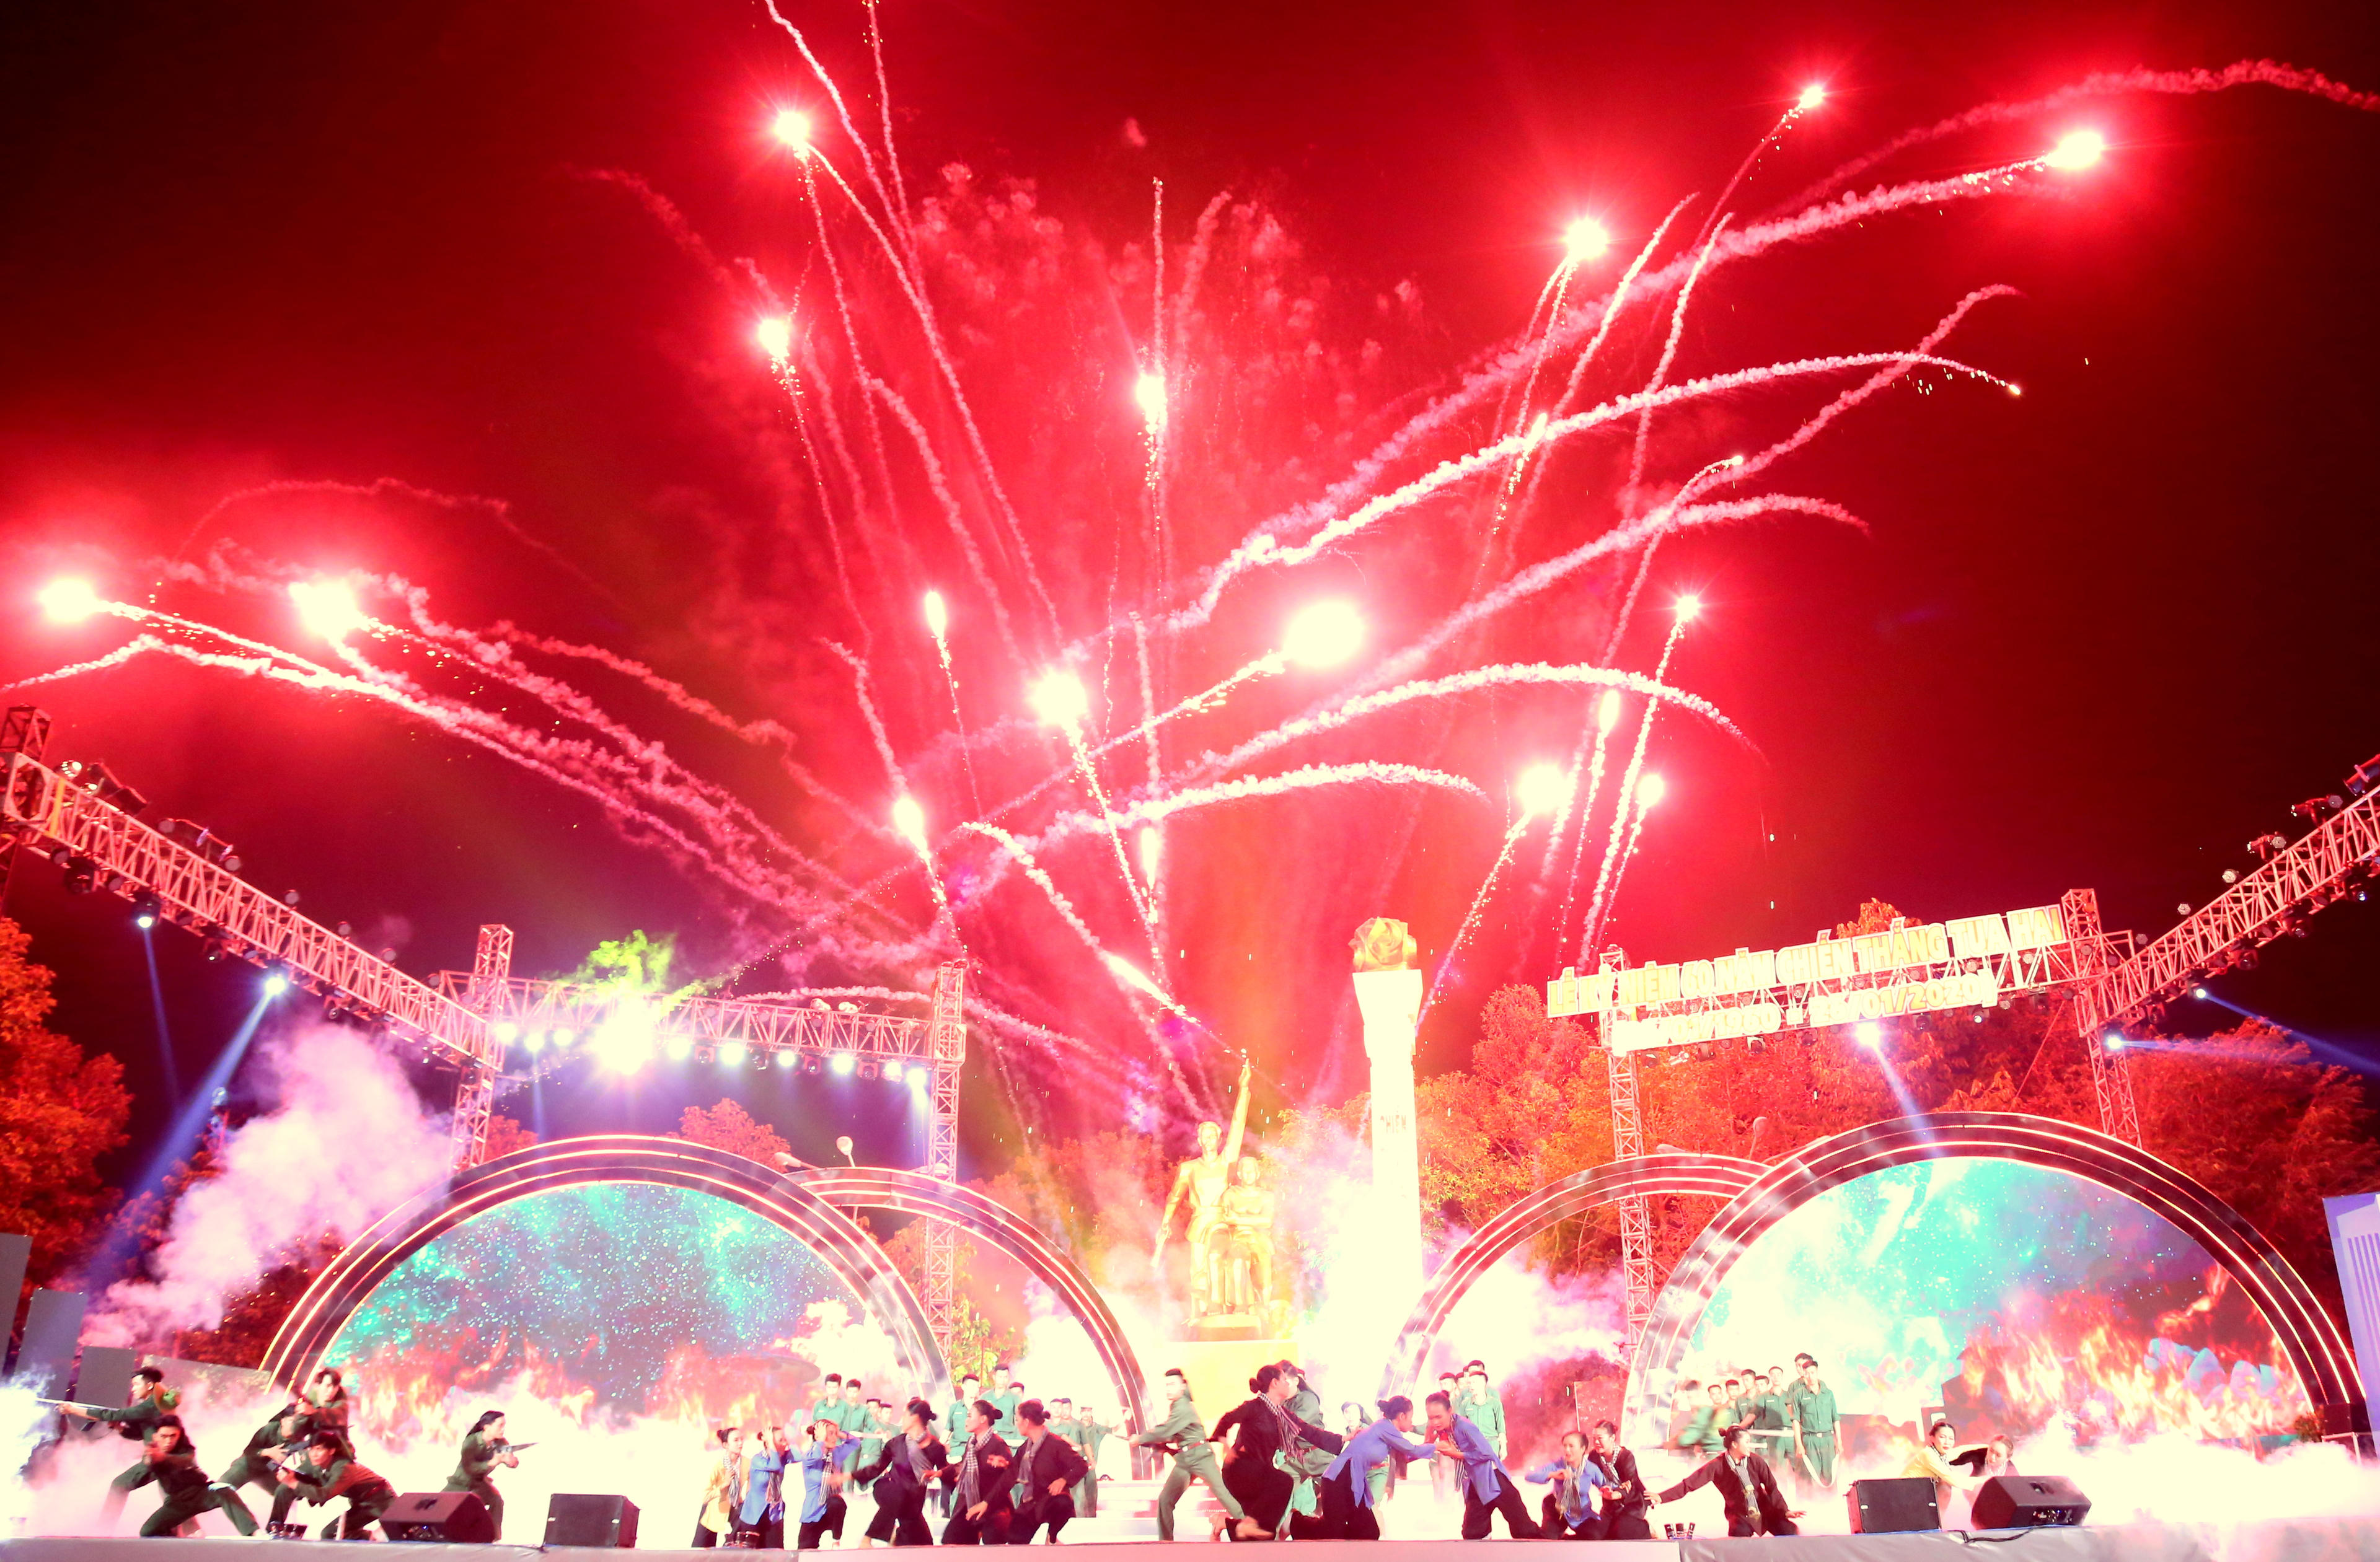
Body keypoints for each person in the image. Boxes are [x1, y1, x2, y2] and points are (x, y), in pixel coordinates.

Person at [1133, 1367, 1266, 1542]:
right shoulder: (1177, 1406)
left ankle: (1250, 1527)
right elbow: (1173, 1433)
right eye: (1167, 1385)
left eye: (1172, 1384)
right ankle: (1165, 1542)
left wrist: (1141, 1438)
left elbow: (1167, 1430)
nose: (1168, 1389)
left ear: (1183, 1386)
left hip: (1201, 1458)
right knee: (1165, 1500)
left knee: (1224, 1494)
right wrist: (1151, 1441)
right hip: (1186, 1461)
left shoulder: (1183, 1406)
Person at [1212, 1363, 1342, 1541]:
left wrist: (1343, 1439)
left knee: (1265, 1533)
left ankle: (1224, 1524)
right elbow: (1227, 1419)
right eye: (1284, 1380)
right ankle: (1248, 1523)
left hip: (1260, 1474)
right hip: (1241, 1470)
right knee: (1283, 1480)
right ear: (1274, 1383)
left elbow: (1310, 1432)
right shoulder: (1255, 1407)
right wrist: (1224, 1444)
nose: (1288, 1383)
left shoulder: (1283, 1415)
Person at [60, 1364, 181, 1528]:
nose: (133, 1389)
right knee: (174, 1499)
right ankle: (192, 1533)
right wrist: (119, 1428)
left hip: (160, 1459)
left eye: (136, 1384)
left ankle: (103, 1529)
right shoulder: (156, 1404)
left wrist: (73, 1410)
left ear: (150, 1385)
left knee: (120, 1485)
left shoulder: (153, 1404)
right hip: (166, 1458)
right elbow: (140, 1435)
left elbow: (115, 1414)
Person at [1316, 1397, 1437, 1540]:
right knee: (1337, 1530)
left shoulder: (1386, 1429)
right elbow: (1411, 1450)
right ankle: (1296, 1521)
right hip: (1341, 1477)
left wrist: (1429, 1445)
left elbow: (1405, 1457)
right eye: (1411, 1417)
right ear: (1402, 1416)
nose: (1411, 1422)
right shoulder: (1385, 1427)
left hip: (1349, 1478)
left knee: (1366, 1531)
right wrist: (1437, 1447)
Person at [1424, 1389, 1538, 1539]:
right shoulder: (1443, 1429)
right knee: (1472, 1533)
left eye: (1438, 1417)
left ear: (1450, 1411)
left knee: (1524, 1531)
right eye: (1431, 1418)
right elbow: (1423, 1448)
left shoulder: (1464, 1426)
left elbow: (1487, 1453)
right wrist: (1427, 1441)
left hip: (1494, 1478)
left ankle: (1556, 1538)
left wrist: (1457, 1454)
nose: (1435, 1422)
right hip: (1477, 1482)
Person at [119, 1418, 261, 1538]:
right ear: (156, 1437)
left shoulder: (185, 1448)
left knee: (224, 1491)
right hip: (178, 1502)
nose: (169, 1441)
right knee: (148, 1532)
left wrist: (163, 1458)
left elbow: (186, 1460)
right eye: (164, 1436)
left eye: (173, 1436)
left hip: (202, 1493)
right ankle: (176, 1539)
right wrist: (151, 1460)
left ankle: (254, 1533)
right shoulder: (152, 1451)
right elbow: (146, 1465)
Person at [1656, 1426, 1800, 1538]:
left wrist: (1784, 1511)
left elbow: (1772, 1487)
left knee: (1791, 1532)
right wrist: (1661, 1497)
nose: (1750, 1446)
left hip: (1766, 1511)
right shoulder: (1717, 1466)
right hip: (1740, 1516)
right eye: (1747, 1442)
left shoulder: (1756, 1461)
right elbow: (1689, 1484)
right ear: (1735, 1444)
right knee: (1737, 1542)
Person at [853, 1398, 948, 1548]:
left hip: (912, 1502)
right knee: (898, 1494)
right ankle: (867, 1539)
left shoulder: (936, 1448)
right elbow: (877, 1468)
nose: (901, 1418)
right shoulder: (896, 1443)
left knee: (925, 1545)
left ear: (915, 1417)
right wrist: (850, 1476)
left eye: (905, 1414)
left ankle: (898, 1538)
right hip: (888, 1488)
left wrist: (941, 1474)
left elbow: (946, 1472)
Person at [278, 1429, 397, 1540]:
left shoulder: (344, 1468)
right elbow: (301, 1481)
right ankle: (275, 1527)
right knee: (329, 1534)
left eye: (319, 1449)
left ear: (332, 1451)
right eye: (312, 1449)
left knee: (397, 1536)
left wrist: (293, 1483)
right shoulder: (315, 1463)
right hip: (361, 1503)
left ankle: (378, 1539)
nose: (314, 1454)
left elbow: (324, 1495)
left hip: (381, 1500)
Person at [1007, 1399, 1090, 1543]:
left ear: (1027, 1422)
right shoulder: (1025, 1448)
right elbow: (1011, 1472)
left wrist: (1063, 1480)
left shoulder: (1056, 1444)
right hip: (1030, 1504)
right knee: (1014, 1538)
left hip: (1050, 1501)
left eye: (1018, 1420)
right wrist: (1003, 1464)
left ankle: (1052, 1538)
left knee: (1063, 1503)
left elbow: (1081, 1465)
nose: (1017, 1424)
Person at [941, 1398, 1016, 1545]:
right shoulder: (971, 1444)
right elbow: (962, 1465)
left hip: (994, 1506)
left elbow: (1011, 1474)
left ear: (983, 1419)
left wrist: (1006, 1465)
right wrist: (940, 1473)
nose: (966, 1420)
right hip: (970, 1503)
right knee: (952, 1538)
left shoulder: (998, 1444)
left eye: (970, 1416)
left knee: (993, 1535)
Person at [446, 1410, 521, 1541]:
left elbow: (511, 1460)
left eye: (504, 1425)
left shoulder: (501, 1442)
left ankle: (493, 1537)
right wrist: (492, 1462)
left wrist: (512, 1462)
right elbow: (470, 1468)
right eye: (500, 1426)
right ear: (487, 1427)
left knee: (496, 1501)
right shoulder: (472, 1441)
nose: (503, 1429)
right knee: (442, 1508)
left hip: (480, 1483)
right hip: (461, 1483)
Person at [1521, 1430, 1607, 1539]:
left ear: (1583, 1449)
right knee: (1548, 1540)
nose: (1567, 1450)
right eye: (1565, 1446)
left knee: (1595, 1536)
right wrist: (1553, 1474)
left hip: (1581, 1513)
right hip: (1557, 1509)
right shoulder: (1559, 1465)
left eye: (1571, 1446)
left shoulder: (1591, 1469)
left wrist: (1609, 1491)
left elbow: (1605, 1485)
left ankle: (1566, 1541)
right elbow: (1529, 1476)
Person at [1904, 1420, 1988, 1522]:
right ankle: (1938, 1523)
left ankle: (1939, 1522)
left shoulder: (1940, 1453)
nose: (1947, 1442)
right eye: (1942, 1437)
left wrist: (1989, 1447)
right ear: (1932, 1438)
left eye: (1951, 1439)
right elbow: (1953, 1480)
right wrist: (1984, 1480)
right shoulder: (1928, 1454)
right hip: (1906, 1496)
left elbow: (1961, 1450)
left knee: (1944, 1486)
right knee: (1945, 1484)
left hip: (1918, 1494)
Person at [1586, 1421, 1654, 1541]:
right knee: (1598, 1535)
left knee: (1622, 1530)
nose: (1596, 1442)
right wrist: (1604, 1489)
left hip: (1633, 1502)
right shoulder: (1594, 1457)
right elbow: (1592, 1476)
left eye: (1600, 1438)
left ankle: (1647, 1530)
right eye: (1594, 1439)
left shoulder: (1626, 1456)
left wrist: (1617, 1494)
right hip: (1610, 1505)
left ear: (1612, 1438)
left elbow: (1630, 1482)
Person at [797, 1419, 857, 1550]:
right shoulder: (809, 1457)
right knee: (804, 1552)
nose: (835, 1438)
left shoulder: (837, 1453)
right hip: (813, 1512)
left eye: (835, 1434)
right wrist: (821, 1440)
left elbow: (855, 1442)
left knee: (837, 1502)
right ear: (818, 1435)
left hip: (831, 1510)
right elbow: (817, 1455)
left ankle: (836, 1542)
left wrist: (839, 1432)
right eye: (830, 1434)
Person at [1785, 1359, 1840, 1493]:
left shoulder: (1828, 1394)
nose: (1810, 1376)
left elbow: (1835, 1418)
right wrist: (1799, 1444)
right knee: (1812, 1477)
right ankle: (1813, 1503)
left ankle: (1832, 1502)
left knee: (1830, 1475)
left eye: (1812, 1372)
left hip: (1827, 1439)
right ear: (1804, 1374)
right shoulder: (1799, 1395)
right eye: (1807, 1373)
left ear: (1817, 1372)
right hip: (1810, 1440)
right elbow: (1796, 1421)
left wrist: (1839, 1441)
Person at [741, 1425, 792, 1548]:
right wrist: (772, 1445)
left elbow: (800, 1456)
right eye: (781, 1440)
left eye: (785, 1439)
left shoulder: (783, 1458)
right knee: (752, 1553)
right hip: (755, 1513)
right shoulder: (758, 1459)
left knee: (775, 1552)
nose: (785, 1443)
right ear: (770, 1443)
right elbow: (774, 1466)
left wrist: (789, 1442)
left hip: (773, 1512)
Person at [941, 1375, 984, 1516]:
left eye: (977, 1386)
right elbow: (948, 1430)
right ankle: (946, 1514)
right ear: (964, 1387)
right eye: (971, 1386)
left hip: (975, 1453)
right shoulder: (955, 1408)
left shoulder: (982, 1408)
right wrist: (939, 1447)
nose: (975, 1389)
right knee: (946, 1480)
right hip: (956, 1453)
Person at [694, 1426, 742, 1548]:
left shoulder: (747, 1463)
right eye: (736, 1440)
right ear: (726, 1445)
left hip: (736, 1508)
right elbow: (705, 1497)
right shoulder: (717, 1465)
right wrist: (724, 1485)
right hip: (714, 1508)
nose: (740, 1443)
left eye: (742, 1439)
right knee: (702, 1549)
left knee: (739, 1546)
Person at [1460, 1364, 1507, 1460]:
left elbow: (1501, 1429)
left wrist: (1503, 1448)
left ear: (1483, 1383)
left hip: (1492, 1446)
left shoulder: (1495, 1404)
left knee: (1492, 1469)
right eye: (1470, 1383)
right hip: (1473, 1448)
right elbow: (1461, 1429)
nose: (1471, 1386)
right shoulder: (1465, 1404)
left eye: (1474, 1382)